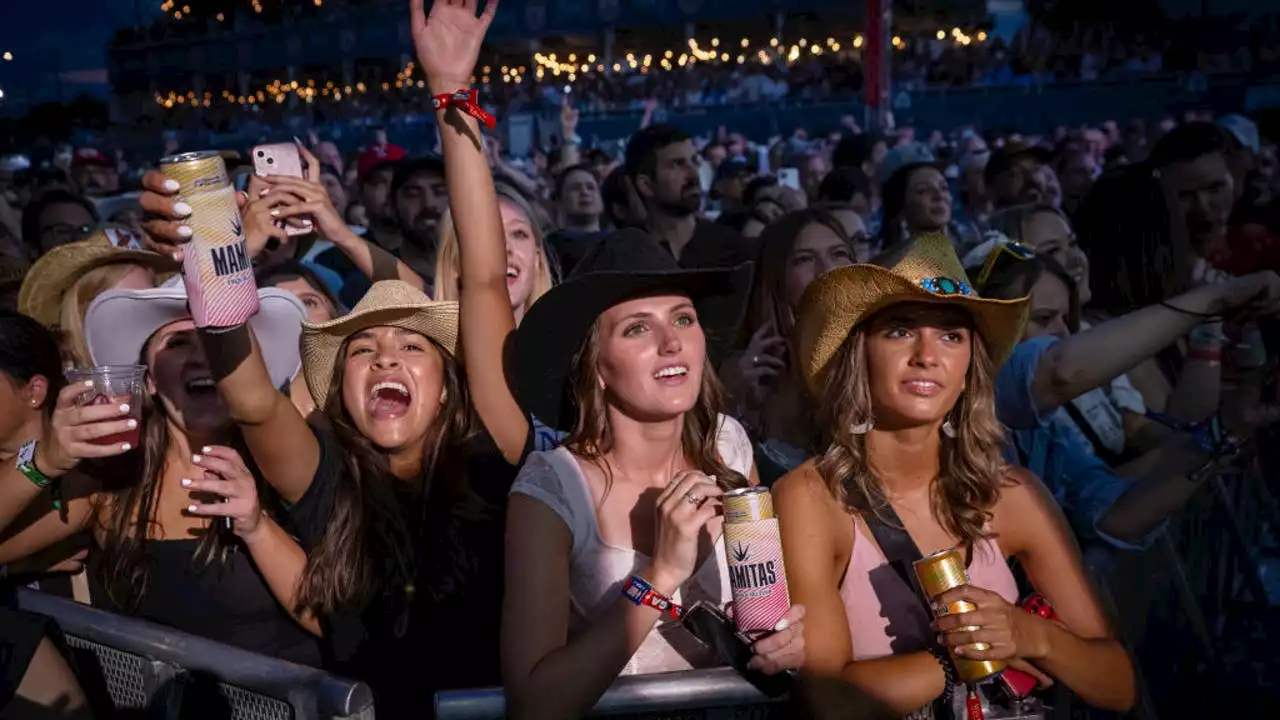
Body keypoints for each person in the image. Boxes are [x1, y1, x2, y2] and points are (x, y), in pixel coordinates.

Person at [138, 1, 532, 713]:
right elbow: (253, 397)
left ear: (447, 386)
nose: (385, 360)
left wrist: (451, 95)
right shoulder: (324, 474)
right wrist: (215, 253)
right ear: (338, 385)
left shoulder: (493, 455)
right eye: (363, 350)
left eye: (413, 345)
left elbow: (480, 273)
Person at [774, 232, 1136, 716]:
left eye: (951, 335)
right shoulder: (811, 496)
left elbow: (1118, 685)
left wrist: (1032, 635)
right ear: (858, 352)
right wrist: (963, 658)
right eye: (900, 330)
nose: (928, 355)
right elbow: (828, 700)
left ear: (969, 368)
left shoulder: (1013, 493)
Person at [502, 230, 806, 719]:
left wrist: (782, 644)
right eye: (637, 329)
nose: (671, 343)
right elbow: (535, 703)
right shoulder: (551, 489)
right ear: (595, 366)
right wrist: (659, 577)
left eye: (683, 319)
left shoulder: (729, 445)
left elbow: (766, 608)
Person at [0, 287, 322, 665]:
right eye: (178, 342)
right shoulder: (111, 484)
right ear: (148, 380)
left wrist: (258, 528)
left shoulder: (288, 466)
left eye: (216, 341)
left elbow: (333, 622)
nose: (201, 354)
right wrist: (43, 460)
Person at [728, 209, 856, 482]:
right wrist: (743, 411)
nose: (827, 269)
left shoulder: (884, 351)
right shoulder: (744, 373)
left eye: (839, 254)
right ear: (777, 280)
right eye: (804, 260)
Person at [18, 233, 176, 367]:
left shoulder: (173, 388)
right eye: (119, 306)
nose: (140, 320)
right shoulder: (53, 393)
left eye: (149, 304)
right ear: (81, 314)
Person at [433, 184, 556, 324]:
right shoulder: (421, 343)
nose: (505, 247)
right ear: (454, 261)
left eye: (518, 234)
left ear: (537, 259)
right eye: (486, 235)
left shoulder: (569, 343)